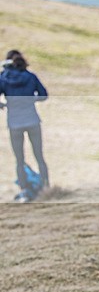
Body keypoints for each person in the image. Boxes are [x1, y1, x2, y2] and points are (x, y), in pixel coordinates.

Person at [0, 50, 50, 202]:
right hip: (32, 120)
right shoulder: (30, 76)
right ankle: (46, 187)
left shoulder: (3, 78)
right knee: (39, 156)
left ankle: (24, 190)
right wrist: (30, 100)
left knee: (19, 159)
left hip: (14, 123)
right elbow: (43, 95)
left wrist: (4, 104)